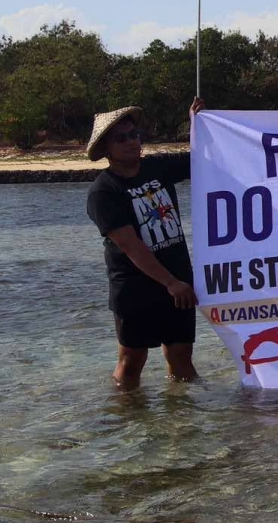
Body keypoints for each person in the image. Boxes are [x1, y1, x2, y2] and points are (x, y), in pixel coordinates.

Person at [85, 99, 205, 389]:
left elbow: (203, 158)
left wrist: (197, 124)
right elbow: (131, 246)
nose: (131, 142)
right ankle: (125, 422)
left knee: (182, 358)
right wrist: (170, 282)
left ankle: (184, 421)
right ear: (106, 148)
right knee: (132, 362)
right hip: (136, 288)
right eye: (121, 138)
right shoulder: (103, 192)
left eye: (134, 135)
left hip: (178, 281)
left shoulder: (158, 167)